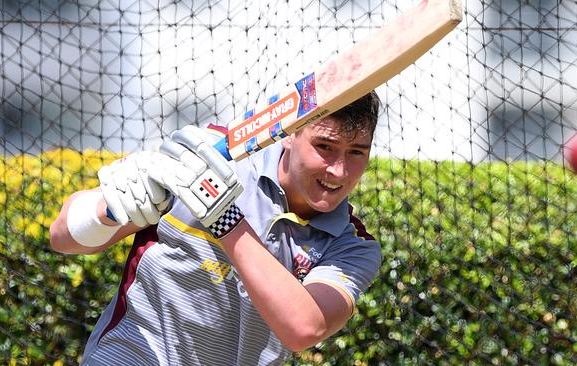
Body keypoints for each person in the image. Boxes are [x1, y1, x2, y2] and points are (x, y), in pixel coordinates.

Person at [49, 91, 382, 365]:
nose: (338, 171)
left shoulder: (353, 245)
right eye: (324, 147)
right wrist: (106, 211)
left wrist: (224, 220)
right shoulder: (209, 156)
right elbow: (63, 238)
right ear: (290, 134)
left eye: (356, 152)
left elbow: (304, 328)